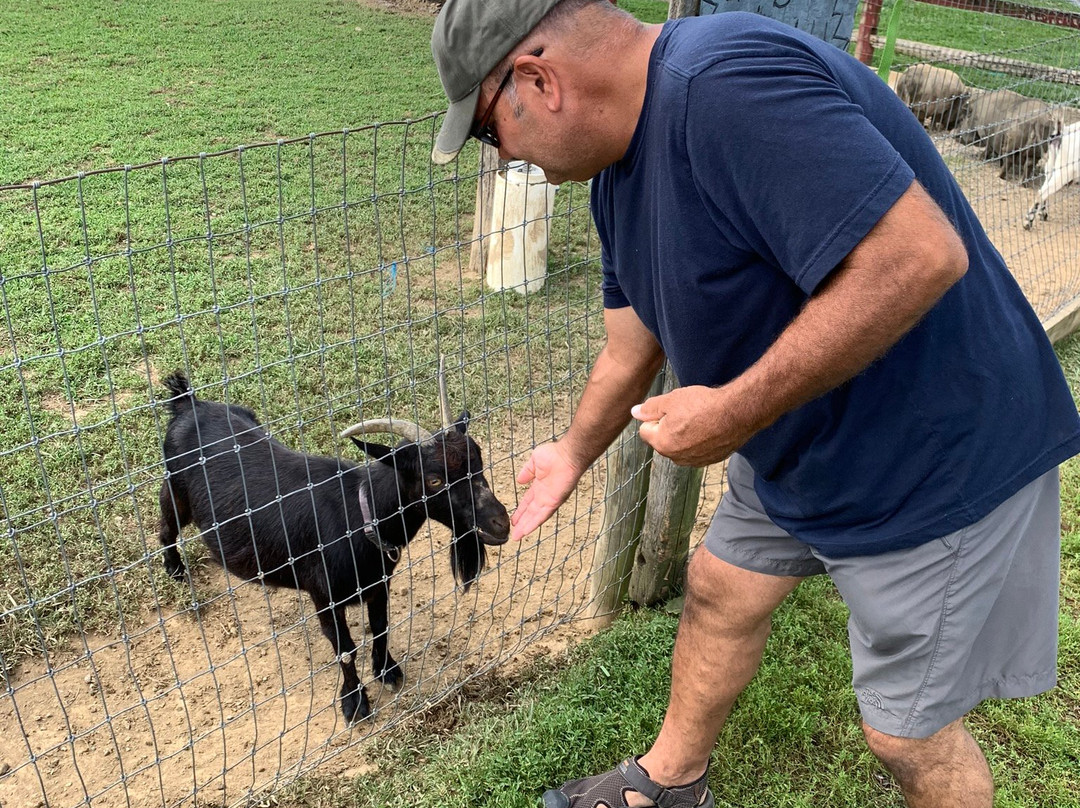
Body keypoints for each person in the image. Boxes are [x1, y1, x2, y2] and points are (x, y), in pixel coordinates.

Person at [430, 1, 1080, 807]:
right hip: (805, 437)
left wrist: (735, 411)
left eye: (492, 134)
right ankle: (669, 786)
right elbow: (629, 350)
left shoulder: (726, 88)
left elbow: (919, 256)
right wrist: (569, 453)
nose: (508, 158)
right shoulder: (618, 177)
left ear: (538, 81)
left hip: (933, 449)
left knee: (906, 734)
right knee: (721, 587)